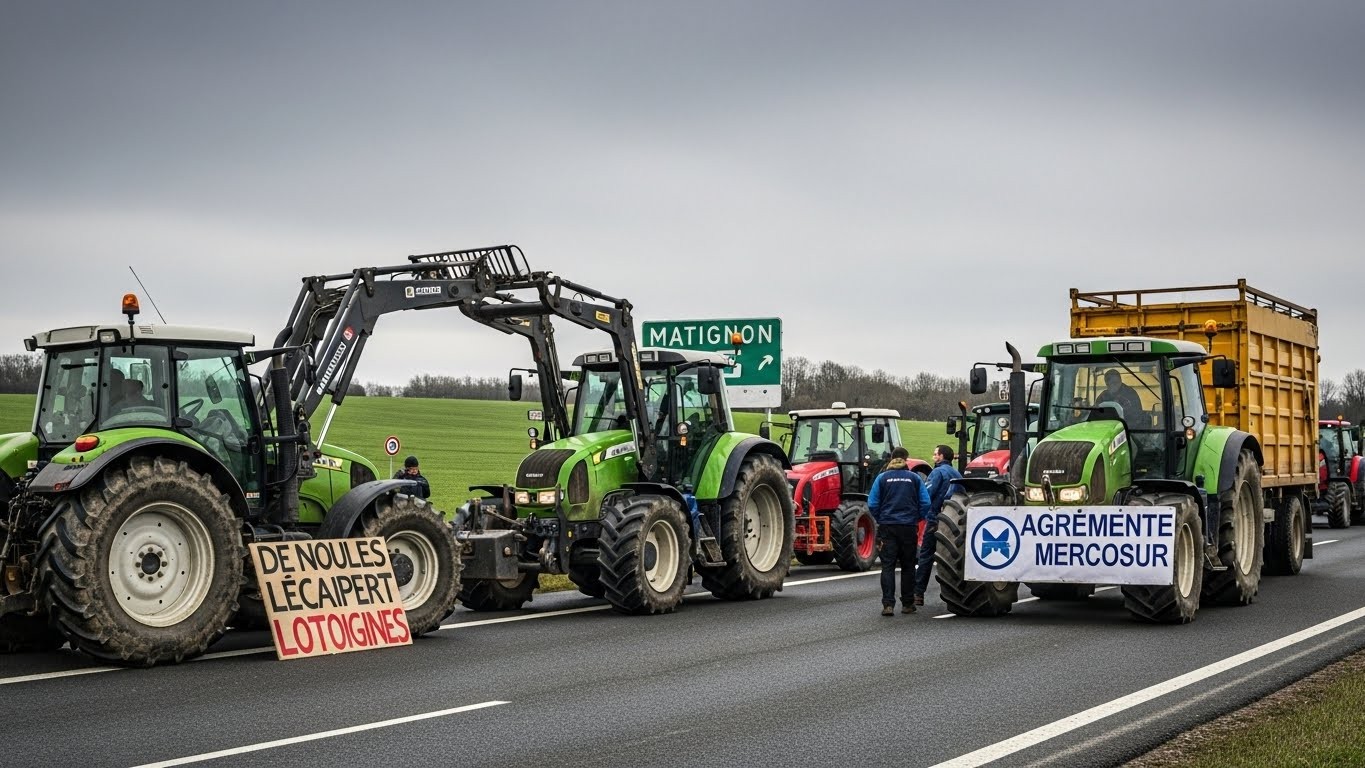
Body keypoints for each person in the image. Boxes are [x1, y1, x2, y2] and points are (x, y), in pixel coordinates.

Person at [867, 446, 931, 616]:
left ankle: (888, 605)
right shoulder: (915, 479)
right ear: (906, 459)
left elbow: (872, 503)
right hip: (909, 527)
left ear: (891, 459)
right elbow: (926, 503)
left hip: (887, 527)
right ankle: (908, 604)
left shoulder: (881, 478)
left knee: (887, 566)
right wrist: (916, 518)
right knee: (908, 566)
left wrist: (881, 518)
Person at [914, 445, 963, 606]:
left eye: (935, 454)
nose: (933, 456)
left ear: (941, 456)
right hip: (956, 523)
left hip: (936, 520)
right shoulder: (957, 474)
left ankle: (918, 593)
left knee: (926, 556)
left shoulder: (937, 473)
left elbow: (927, 495)